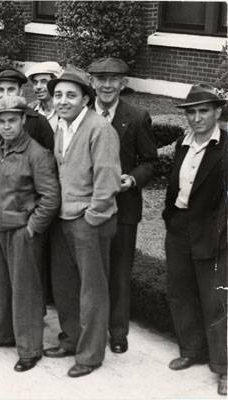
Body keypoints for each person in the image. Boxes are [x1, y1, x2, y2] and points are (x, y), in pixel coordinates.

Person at [44, 67, 121, 378]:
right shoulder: (61, 127)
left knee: (92, 291)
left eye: (71, 95)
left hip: (89, 222)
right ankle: (71, 339)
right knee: (65, 286)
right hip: (64, 217)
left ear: (85, 99)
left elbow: (108, 178)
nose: (63, 101)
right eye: (58, 95)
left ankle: (89, 356)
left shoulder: (100, 129)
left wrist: (92, 217)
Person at [0, 95, 60, 372]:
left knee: (25, 291)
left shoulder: (37, 154)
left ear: (23, 120)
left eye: (12, 120)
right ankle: (2, 333)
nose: (7, 126)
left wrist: (32, 229)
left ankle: (29, 348)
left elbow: (50, 198)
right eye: (1, 121)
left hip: (21, 231)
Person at [87, 57, 158, 354]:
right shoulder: (81, 113)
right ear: (91, 82)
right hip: (86, 206)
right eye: (100, 79)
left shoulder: (138, 116)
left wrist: (133, 179)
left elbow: (151, 161)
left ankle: (117, 332)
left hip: (124, 208)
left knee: (118, 271)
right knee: (89, 271)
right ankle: (87, 328)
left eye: (113, 79)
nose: (106, 85)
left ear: (123, 84)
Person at [162, 84, 227, 396]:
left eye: (204, 111)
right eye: (192, 112)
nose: (197, 117)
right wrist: (170, 217)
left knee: (217, 301)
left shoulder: (226, 147)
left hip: (214, 230)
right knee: (180, 291)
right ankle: (191, 350)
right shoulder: (182, 143)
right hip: (179, 226)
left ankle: (224, 367)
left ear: (217, 112)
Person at [0, 68, 54, 150]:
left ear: (20, 92)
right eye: (1, 90)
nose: (5, 95)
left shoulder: (38, 121)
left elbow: (50, 156)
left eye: (11, 89)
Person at [25, 61, 61, 131]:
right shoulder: (30, 110)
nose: (38, 87)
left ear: (55, 84)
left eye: (44, 81)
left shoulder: (64, 110)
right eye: (35, 82)